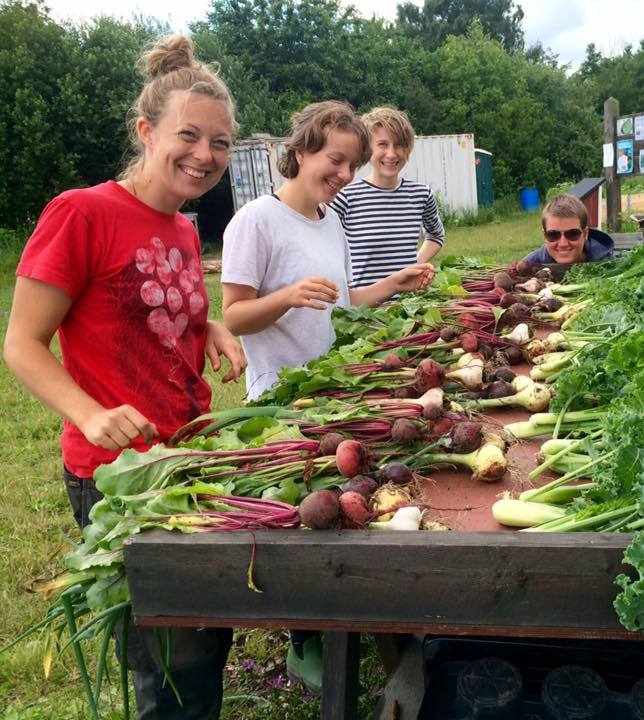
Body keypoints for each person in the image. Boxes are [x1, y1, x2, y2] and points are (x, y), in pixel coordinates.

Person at [4, 35, 245, 719]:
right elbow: (21, 343)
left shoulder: (182, 229)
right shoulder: (81, 213)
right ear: (147, 131)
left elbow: (162, 311)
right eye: (189, 136)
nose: (205, 155)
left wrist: (212, 328)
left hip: (191, 457)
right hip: (122, 473)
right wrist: (88, 413)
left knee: (206, 641)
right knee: (167, 663)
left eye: (220, 144)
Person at [220, 100, 434, 691]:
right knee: (304, 519)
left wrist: (397, 282)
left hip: (332, 390)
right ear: (302, 149)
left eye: (350, 165)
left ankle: (357, 620)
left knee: (336, 507)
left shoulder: (330, 220)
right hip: (282, 400)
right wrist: (286, 296)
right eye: (333, 160)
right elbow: (233, 317)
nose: (342, 174)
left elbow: (347, 301)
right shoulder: (255, 221)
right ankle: (303, 640)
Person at [329, 106, 445, 288]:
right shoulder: (345, 198)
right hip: (364, 311)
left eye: (399, 145)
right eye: (382, 144)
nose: (391, 154)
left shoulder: (421, 195)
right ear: (367, 150)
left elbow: (436, 235)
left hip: (407, 309)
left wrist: (413, 265)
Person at [522, 194, 615, 265]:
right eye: (553, 235)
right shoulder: (530, 264)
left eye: (572, 234)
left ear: (585, 234)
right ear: (545, 236)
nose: (563, 244)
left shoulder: (608, 265)